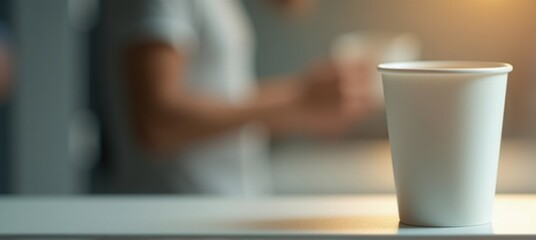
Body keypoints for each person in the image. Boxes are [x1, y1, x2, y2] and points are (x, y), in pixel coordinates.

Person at [96, 0, 372, 195]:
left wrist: (303, 113)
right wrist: (297, 100)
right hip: (177, 218)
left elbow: (225, 100)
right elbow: (158, 121)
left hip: (216, 212)